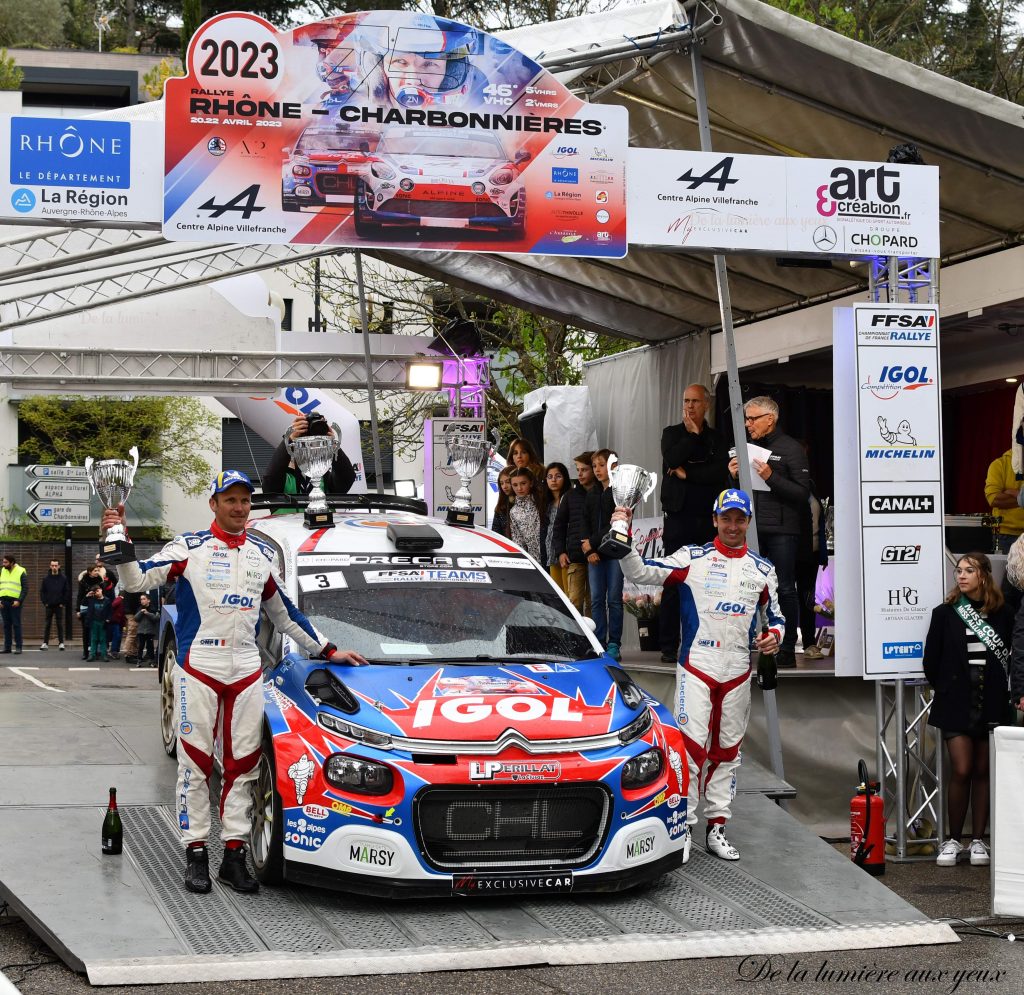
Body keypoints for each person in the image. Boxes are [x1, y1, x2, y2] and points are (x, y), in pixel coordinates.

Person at [101, 469, 367, 896]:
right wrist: (120, 545)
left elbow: (286, 617)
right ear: (214, 504)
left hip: (245, 670)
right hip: (198, 667)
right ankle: (195, 855)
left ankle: (234, 855)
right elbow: (134, 582)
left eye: (244, 500)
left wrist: (329, 651)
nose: (239, 508)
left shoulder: (262, 553)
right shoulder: (188, 547)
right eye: (230, 500)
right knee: (195, 765)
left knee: (243, 766)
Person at [612, 489, 783, 862]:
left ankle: (717, 828)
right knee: (691, 751)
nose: (733, 526)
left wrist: (773, 638)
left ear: (748, 523)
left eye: (740, 519)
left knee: (728, 753)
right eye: (727, 519)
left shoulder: (763, 569)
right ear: (714, 520)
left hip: (738, 670)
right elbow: (641, 572)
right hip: (697, 666)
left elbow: (778, 619)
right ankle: (684, 829)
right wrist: (621, 536)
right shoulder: (693, 558)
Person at [926, 553, 1012, 868]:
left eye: (969, 570)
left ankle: (978, 841)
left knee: (982, 771)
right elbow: (930, 662)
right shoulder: (945, 614)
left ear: (984, 575)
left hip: (990, 700)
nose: (961, 576)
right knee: (961, 769)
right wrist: (948, 687)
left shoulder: (1005, 614)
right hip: (956, 701)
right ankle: (953, 840)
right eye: (958, 571)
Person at [728, 396, 809, 668]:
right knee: (749, 587)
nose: (747, 424)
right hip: (753, 529)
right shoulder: (749, 448)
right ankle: (752, 642)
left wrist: (770, 477)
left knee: (785, 588)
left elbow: (801, 493)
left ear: (770, 419)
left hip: (784, 531)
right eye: (746, 419)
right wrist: (734, 476)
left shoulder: (791, 448)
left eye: (752, 418)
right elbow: (742, 494)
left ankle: (787, 648)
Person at [659, 384, 729, 663]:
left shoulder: (718, 438)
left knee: (707, 582)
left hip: (705, 519)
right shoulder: (672, 433)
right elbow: (671, 458)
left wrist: (687, 474)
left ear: (706, 405)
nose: (689, 406)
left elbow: (717, 473)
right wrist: (691, 435)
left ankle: (706, 641)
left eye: (695, 401)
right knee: (673, 580)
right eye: (685, 400)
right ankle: (667, 645)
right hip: (677, 518)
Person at [584, 449, 624, 660]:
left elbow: (615, 523)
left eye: (602, 465)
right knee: (597, 599)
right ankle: (599, 641)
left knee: (614, 599)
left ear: (613, 466)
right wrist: (589, 548)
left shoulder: (620, 492)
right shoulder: (591, 493)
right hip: (594, 554)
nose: (597, 470)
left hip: (615, 552)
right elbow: (584, 523)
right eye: (595, 466)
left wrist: (591, 541)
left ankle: (614, 643)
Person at [262, 413, 356, 497]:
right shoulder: (285, 477)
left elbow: (347, 477)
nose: (309, 449)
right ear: (293, 448)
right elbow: (270, 481)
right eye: (302, 444)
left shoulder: (323, 476)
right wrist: (289, 440)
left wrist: (332, 445)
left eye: (315, 444)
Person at [551, 452, 595, 615]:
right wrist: (561, 551)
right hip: (575, 556)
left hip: (597, 555)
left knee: (594, 601)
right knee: (574, 601)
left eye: (584, 469)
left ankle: (595, 638)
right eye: (578, 470)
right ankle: (574, 639)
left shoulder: (601, 493)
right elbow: (559, 525)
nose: (580, 474)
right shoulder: (570, 495)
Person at [985, 449, 1024, 554]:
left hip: (1006, 535)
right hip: (1006, 536)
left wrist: (1016, 494)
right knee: (1009, 570)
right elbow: (994, 499)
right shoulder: (1000, 464)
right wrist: (1022, 498)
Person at [508, 467, 546, 562]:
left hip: (551, 557)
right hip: (533, 562)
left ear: (531, 483)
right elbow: (518, 541)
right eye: (515, 485)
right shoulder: (513, 511)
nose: (519, 488)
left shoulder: (542, 502)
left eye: (523, 483)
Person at [544, 463, 571, 594]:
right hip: (551, 550)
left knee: (570, 594)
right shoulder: (546, 502)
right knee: (558, 595)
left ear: (565, 478)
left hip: (566, 551)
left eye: (558, 476)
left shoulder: (570, 498)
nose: (553, 480)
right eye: (550, 477)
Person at [39, 559, 69, 651]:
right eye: (52, 565)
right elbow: (42, 592)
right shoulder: (46, 579)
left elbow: (66, 591)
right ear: (50, 566)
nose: (54, 567)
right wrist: (45, 602)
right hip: (49, 605)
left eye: (56, 565)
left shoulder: (63, 578)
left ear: (59, 566)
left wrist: (63, 603)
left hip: (59, 605)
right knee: (47, 624)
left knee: (59, 624)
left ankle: (61, 643)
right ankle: (45, 643)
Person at [0, 553, 27, 655]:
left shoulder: (21, 571)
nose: (3, 564)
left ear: (12, 562)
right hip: (3, 601)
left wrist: (19, 600)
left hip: (15, 602)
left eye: (5, 562)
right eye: (3, 562)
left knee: (16, 624)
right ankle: (7, 647)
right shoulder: (2, 570)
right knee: (6, 625)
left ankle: (18, 647)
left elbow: (25, 588)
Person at [76, 564, 104, 660]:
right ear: (90, 572)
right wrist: (78, 610)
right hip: (85, 607)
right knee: (86, 631)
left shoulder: (100, 581)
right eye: (95, 571)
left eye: (97, 570)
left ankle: (94, 651)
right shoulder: (83, 582)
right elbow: (79, 596)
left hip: (97, 608)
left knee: (96, 630)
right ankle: (85, 652)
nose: (97, 572)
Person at [80, 583, 111, 662]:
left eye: (98, 590)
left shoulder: (107, 600)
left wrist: (108, 619)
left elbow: (110, 611)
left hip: (103, 622)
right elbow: (83, 603)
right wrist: (87, 595)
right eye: (95, 592)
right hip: (94, 622)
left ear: (101, 590)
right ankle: (92, 655)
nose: (97, 592)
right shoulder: (91, 600)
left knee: (103, 639)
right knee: (93, 639)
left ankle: (104, 655)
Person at [135, 594, 159, 666]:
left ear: (148, 600)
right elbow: (136, 618)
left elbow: (156, 618)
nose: (142, 601)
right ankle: (139, 660)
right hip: (141, 631)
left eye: (144, 599)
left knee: (150, 647)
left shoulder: (153, 609)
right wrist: (141, 612)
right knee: (140, 646)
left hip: (150, 631)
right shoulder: (139, 608)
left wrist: (148, 613)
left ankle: (151, 660)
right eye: (141, 599)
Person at [490, 466, 514, 537]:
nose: (504, 486)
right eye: (501, 483)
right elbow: (496, 535)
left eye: (507, 482)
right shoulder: (500, 507)